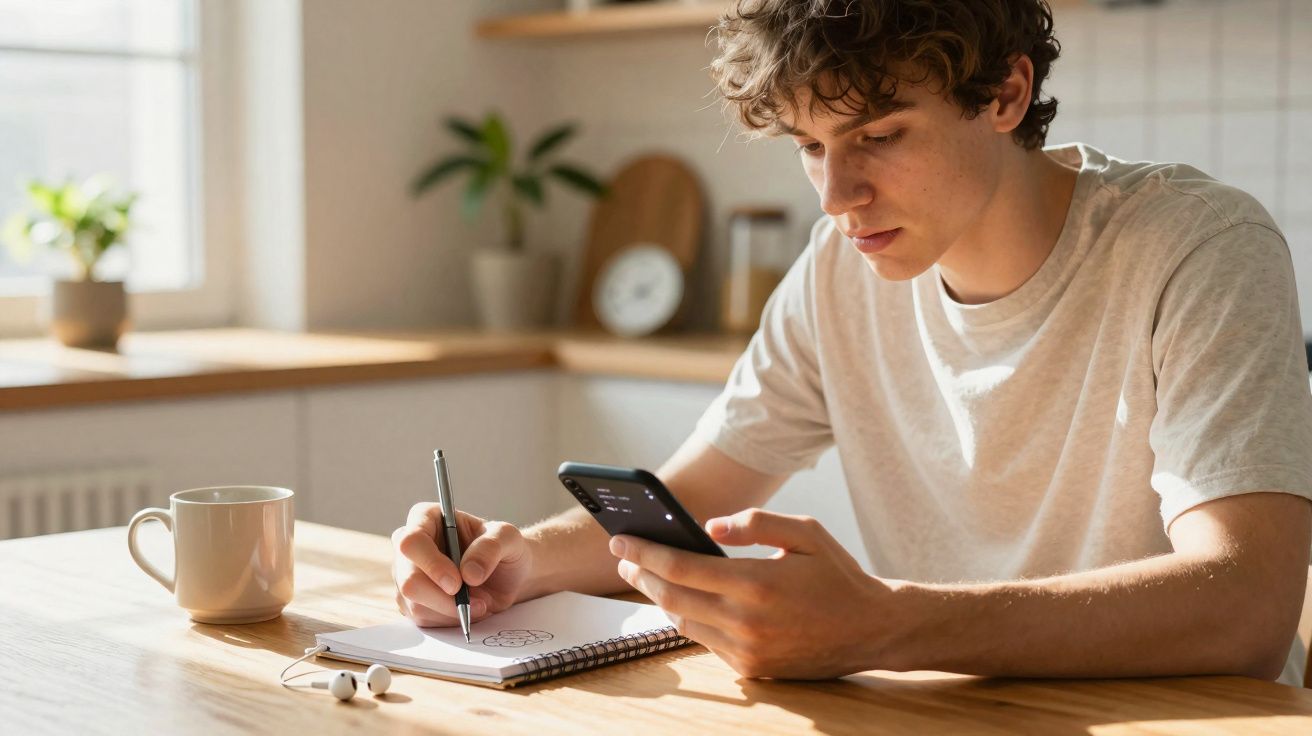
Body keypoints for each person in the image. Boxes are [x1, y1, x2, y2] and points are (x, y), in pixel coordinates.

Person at [392, 0, 1312, 686]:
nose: (836, 196)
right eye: (809, 145)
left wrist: (885, 626)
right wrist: (517, 559)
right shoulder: (842, 267)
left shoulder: (1197, 246)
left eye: (878, 135)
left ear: (1006, 93)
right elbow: (694, 497)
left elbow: (1246, 608)